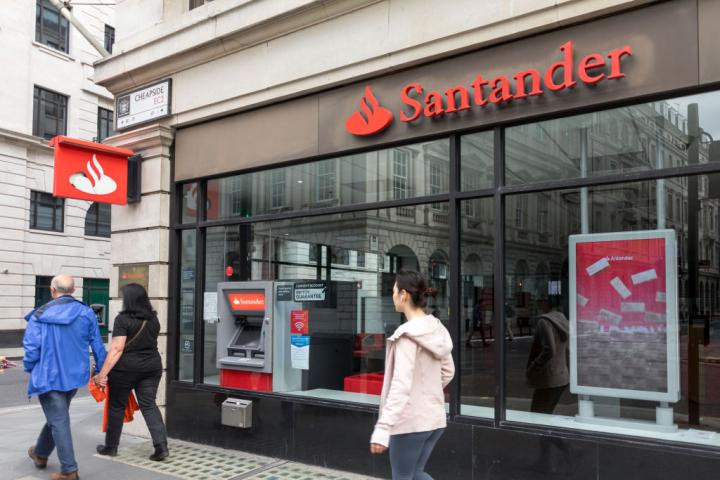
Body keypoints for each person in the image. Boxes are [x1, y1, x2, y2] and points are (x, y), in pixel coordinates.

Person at [370, 270, 455, 480]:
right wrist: (424, 394)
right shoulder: (437, 327)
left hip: (410, 424)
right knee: (415, 474)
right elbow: (448, 371)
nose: (392, 296)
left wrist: (383, 429)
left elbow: (400, 384)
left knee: (403, 476)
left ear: (404, 295)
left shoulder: (405, 335)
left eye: (393, 291)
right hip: (434, 420)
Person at [24, 275, 107, 480]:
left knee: (58, 419)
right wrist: (101, 371)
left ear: (53, 290)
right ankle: (40, 453)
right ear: (73, 290)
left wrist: (30, 367)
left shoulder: (39, 314)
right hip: (74, 376)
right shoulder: (86, 313)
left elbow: (31, 349)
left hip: (48, 376)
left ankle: (70, 470)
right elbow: (98, 345)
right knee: (57, 417)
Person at [93, 283, 169, 461]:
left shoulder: (122, 320)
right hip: (151, 367)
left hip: (125, 370)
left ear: (129, 300)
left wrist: (102, 374)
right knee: (149, 405)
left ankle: (111, 447)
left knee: (116, 407)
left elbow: (117, 349)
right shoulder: (153, 319)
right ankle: (161, 447)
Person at [526, 303, 570, 414]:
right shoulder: (563, 321)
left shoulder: (544, 322)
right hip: (562, 376)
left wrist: (533, 367)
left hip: (548, 377)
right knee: (545, 412)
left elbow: (549, 349)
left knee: (538, 414)